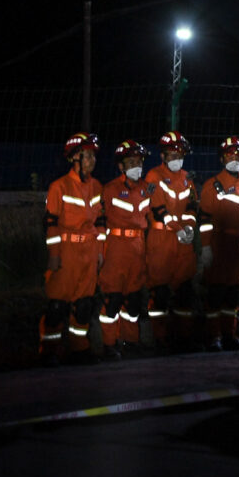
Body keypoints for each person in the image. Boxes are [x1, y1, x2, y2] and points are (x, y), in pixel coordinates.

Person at [41, 132, 105, 364]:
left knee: (84, 305)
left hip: (88, 252)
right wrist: (54, 256)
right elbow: (51, 223)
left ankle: (80, 349)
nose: (92, 160)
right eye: (86, 156)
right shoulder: (59, 187)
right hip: (66, 252)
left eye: (93, 156)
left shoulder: (97, 187)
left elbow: (99, 223)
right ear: (73, 159)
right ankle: (49, 351)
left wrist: (99, 252)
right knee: (57, 305)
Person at [95, 139, 155, 358]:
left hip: (138, 248)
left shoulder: (147, 189)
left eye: (139, 161)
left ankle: (131, 341)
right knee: (113, 299)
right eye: (131, 162)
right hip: (116, 249)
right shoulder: (110, 189)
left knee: (133, 300)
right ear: (121, 166)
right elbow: (99, 221)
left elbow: (154, 217)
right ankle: (109, 344)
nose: (136, 166)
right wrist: (99, 252)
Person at [197, 135, 239, 351]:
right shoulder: (212, 185)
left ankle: (230, 335)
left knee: (234, 293)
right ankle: (214, 337)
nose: (235, 158)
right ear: (222, 158)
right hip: (219, 243)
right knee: (216, 292)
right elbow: (204, 220)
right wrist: (205, 248)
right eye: (230, 155)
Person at [146, 130, 202, 351]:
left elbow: (191, 206)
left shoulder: (187, 178)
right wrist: (179, 228)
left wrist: (189, 226)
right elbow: (158, 209)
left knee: (185, 291)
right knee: (159, 292)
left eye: (180, 153)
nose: (176, 158)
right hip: (161, 240)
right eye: (171, 154)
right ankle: (160, 339)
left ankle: (184, 337)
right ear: (162, 156)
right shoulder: (153, 177)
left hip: (183, 242)